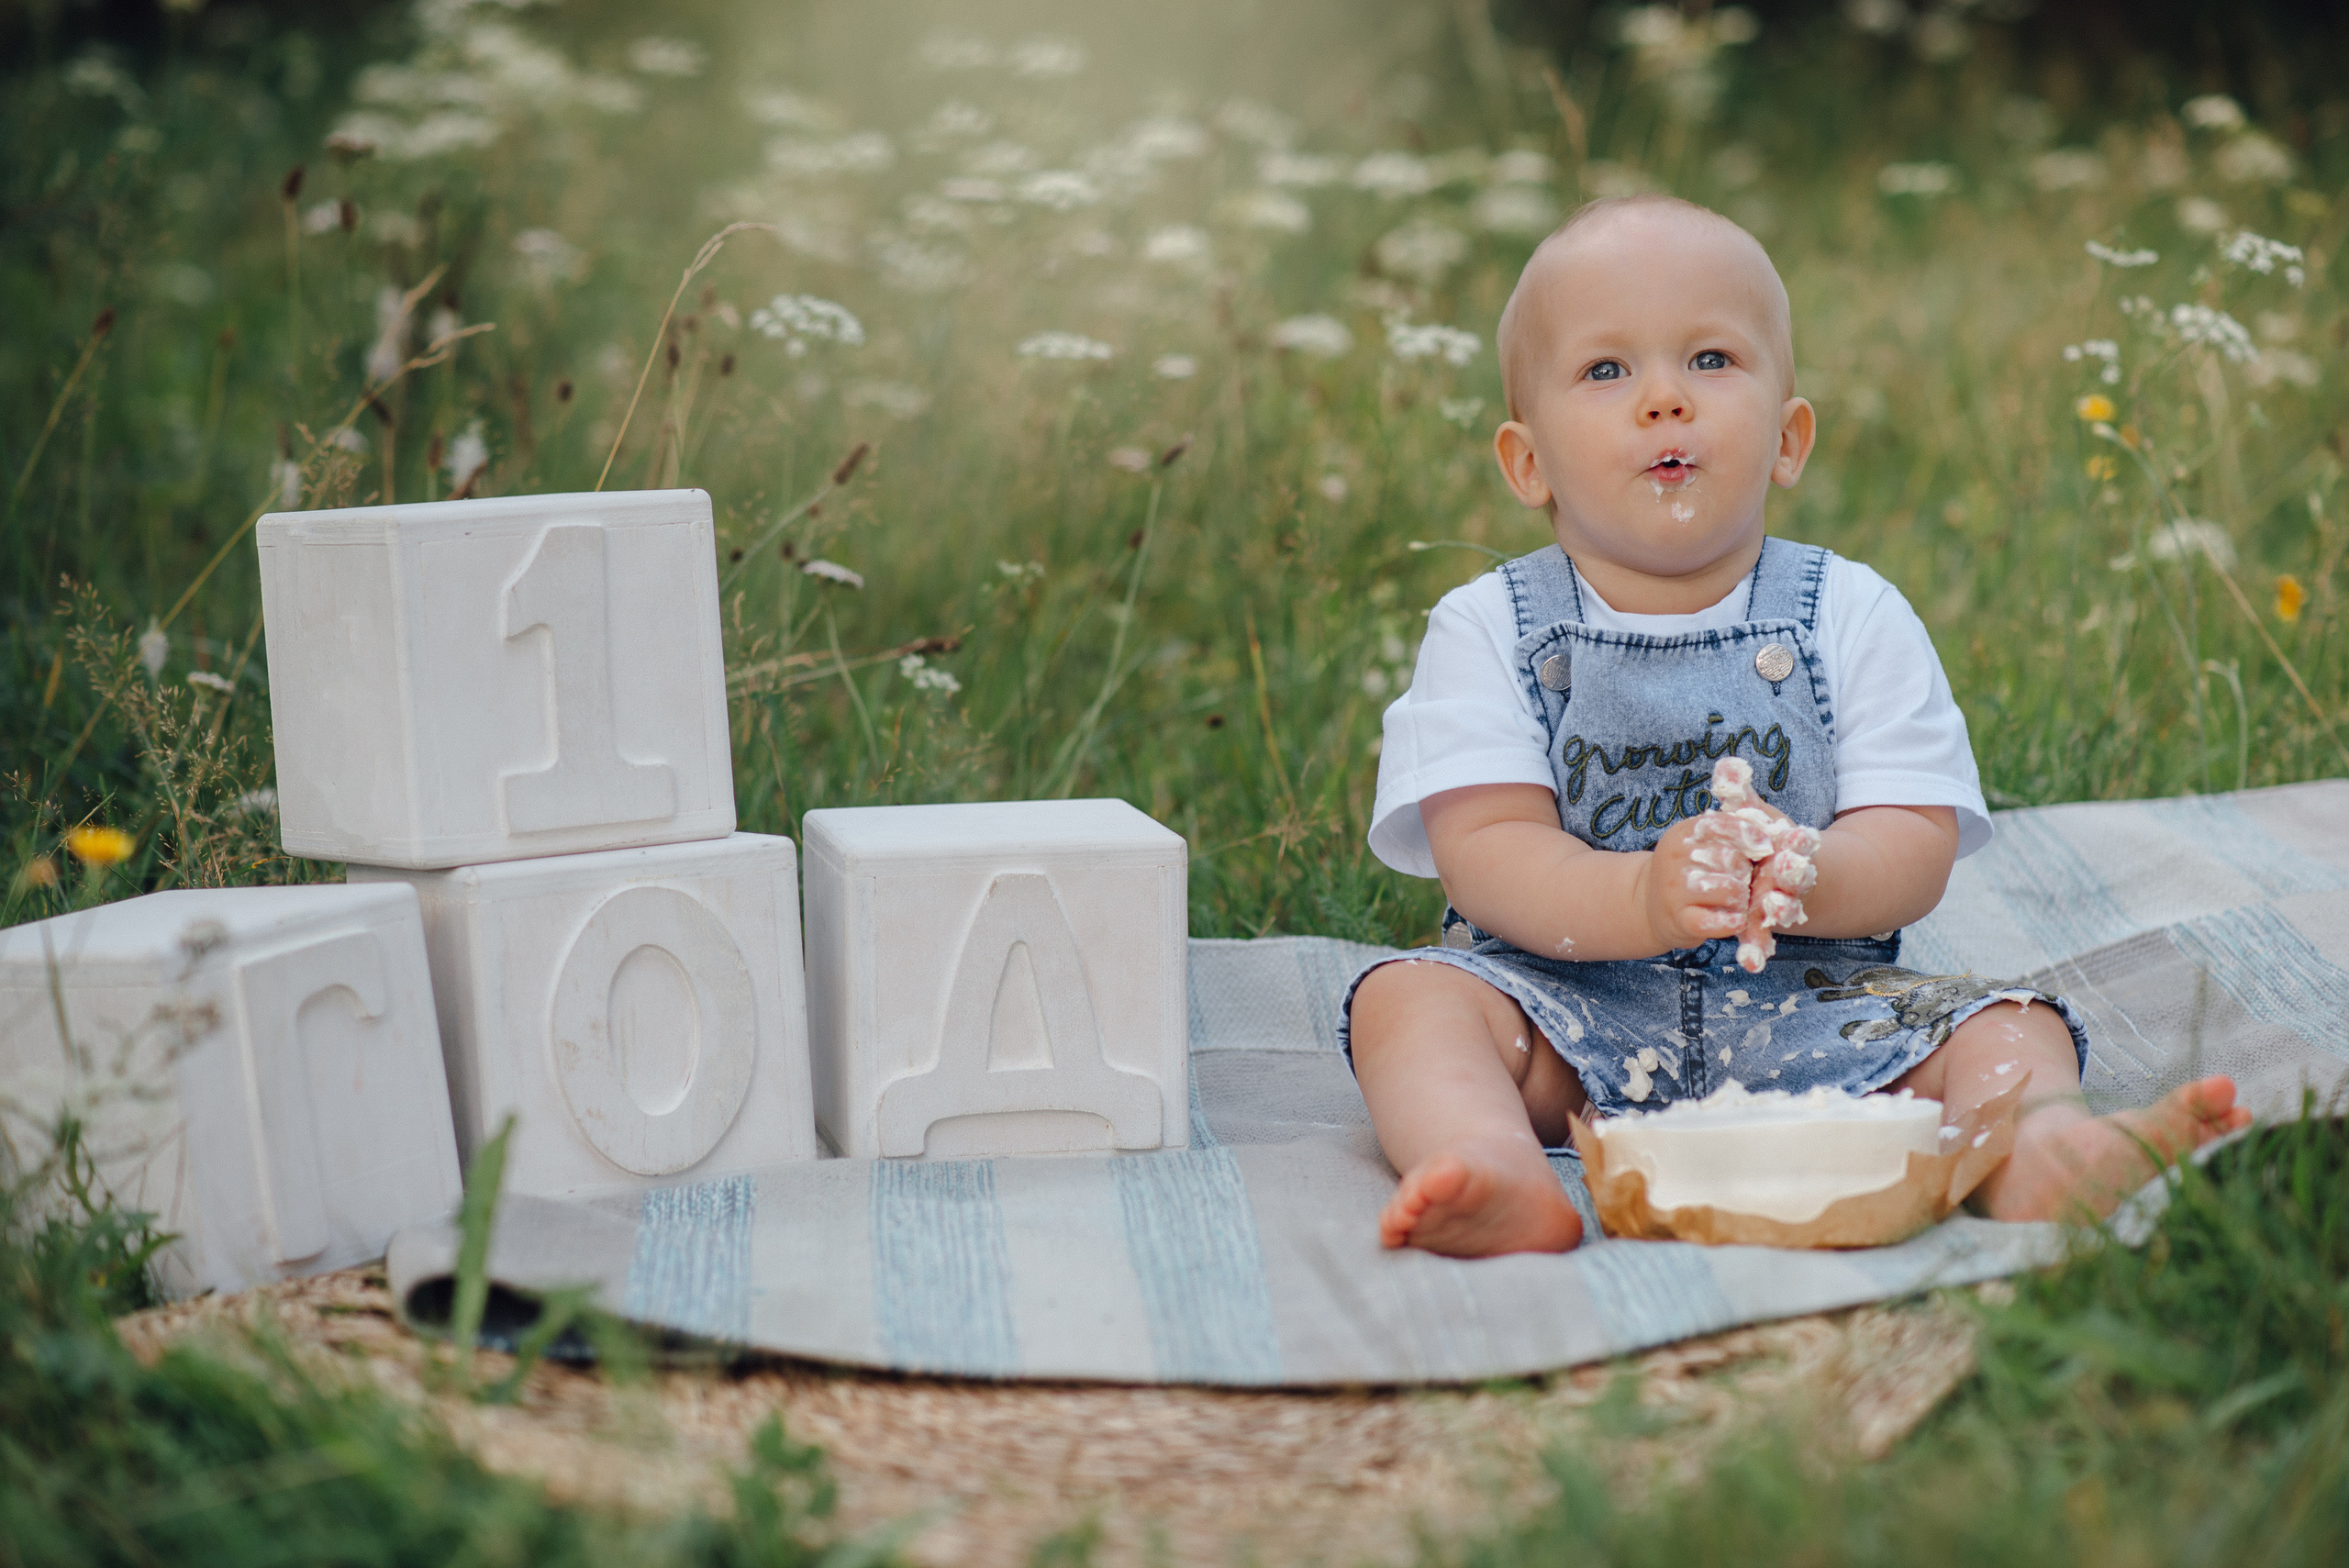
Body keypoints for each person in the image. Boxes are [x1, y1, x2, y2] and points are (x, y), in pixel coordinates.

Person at [1341, 195, 2251, 1258]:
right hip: (1561, 1009)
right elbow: (1486, 851)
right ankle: (1488, 1161)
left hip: (1820, 1011)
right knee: (1407, 1002)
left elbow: (1912, 838)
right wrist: (1636, 894)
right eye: (1606, 372)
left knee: (2013, 1024)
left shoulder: (1852, 612)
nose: (1665, 401)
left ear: (1787, 437)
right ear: (1526, 461)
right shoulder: (1489, 624)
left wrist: (1811, 872)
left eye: (1712, 359)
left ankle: (2042, 1149)